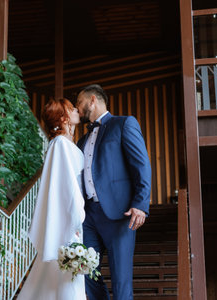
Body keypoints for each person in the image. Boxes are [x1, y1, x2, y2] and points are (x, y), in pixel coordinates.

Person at [75, 84, 152, 300]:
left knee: (121, 279)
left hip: (120, 214)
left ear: (92, 100)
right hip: (88, 215)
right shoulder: (82, 140)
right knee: (85, 271)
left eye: (79, 104)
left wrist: (141, 204)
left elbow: (142, 165)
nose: (77, 110)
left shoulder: (124, 124)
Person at [18, 98, 86, 300]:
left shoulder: (65, 144)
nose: (76, 110)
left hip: (73, 220)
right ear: (64, 118)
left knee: (60, 278)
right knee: (64, 276)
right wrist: (76, 217)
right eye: (71, 108)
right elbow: (67, 187)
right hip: (68, 222)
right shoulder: (60, 145)